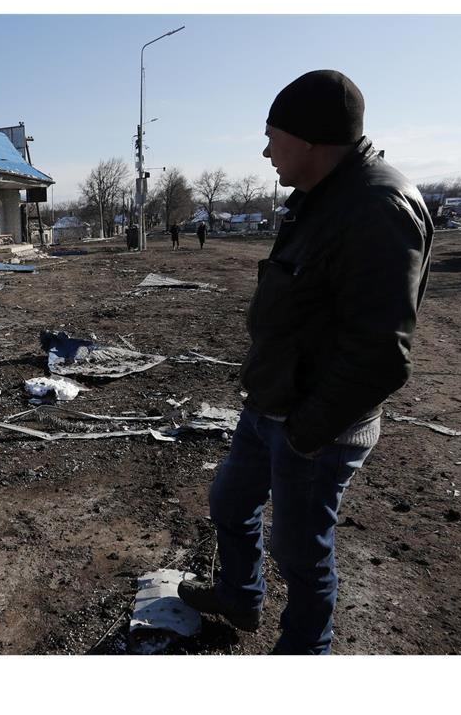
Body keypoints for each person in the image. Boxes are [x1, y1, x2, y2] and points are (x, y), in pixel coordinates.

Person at [177, 69, 434, 654]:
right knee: (230, 503)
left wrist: (304, 433)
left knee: (300, 553)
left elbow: (381, 355)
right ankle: (240, 597)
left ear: (313, 139)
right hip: (271, 404)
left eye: (274, 136)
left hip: (316, 426)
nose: (266, 150)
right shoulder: (319, 199)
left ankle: (302, 655)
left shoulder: (376, 209)